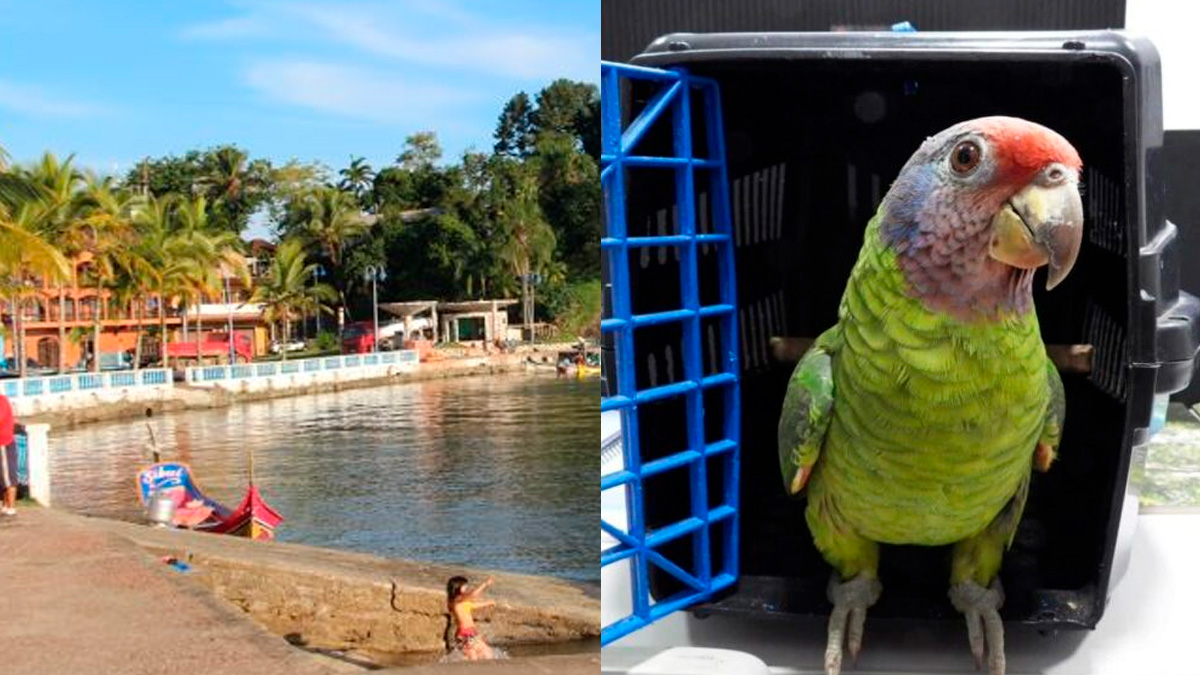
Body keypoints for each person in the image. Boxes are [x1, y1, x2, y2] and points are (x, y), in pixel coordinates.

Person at [446, 575, 496, 660]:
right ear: (457, 587)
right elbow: (473, 594)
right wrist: (485, 584)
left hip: (471, 632)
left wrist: (488, 603)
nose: (466, 587)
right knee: (475, 655)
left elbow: (472, 606)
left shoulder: (462, 600)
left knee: (485, 652)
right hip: (465, 633)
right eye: (464, 585)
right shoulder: (455, 600)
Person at [0, 393, 19, 516]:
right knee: (2, 476)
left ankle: (11, 507)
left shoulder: (1, 401)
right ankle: (5, 505)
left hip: (4, 442)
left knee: (8, 476)